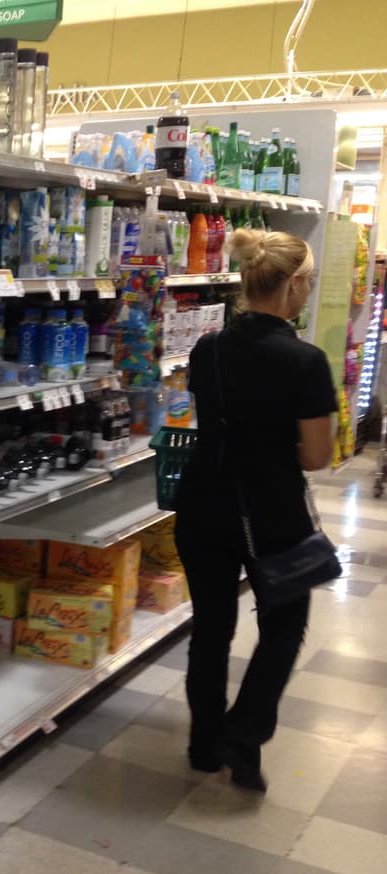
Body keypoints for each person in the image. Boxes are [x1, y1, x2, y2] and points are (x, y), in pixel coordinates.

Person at [174, 227, 337, 792]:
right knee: (283, 624)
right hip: (272, 512)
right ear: (293, 284)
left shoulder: (207, 348)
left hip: (202, 503)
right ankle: (244, 735)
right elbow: (316, 457)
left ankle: (202, 746)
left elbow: (216, 421)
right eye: (308, 283)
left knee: (211, 627)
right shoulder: (306, 361)